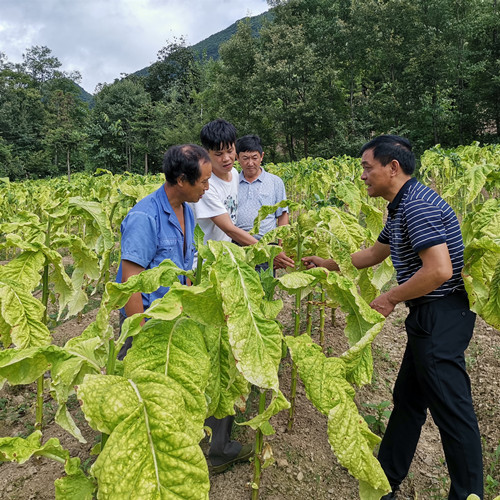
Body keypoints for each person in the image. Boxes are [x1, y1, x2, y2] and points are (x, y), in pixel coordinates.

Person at [302, 135, 483, 500]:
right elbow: (374, 253)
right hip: (429, 316)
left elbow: (439, 271)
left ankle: (468, 494)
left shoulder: (417, 206)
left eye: (368, 168)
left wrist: (389, 297)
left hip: (441, 315)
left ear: (392, 168)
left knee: (452, 413)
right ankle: (384, 482)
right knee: (408, 402)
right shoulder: (400, 207)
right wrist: (329, 265)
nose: (363, 176)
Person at [192, 118, 255, 474]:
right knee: (217, 346)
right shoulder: (206, 185)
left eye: (230, 150)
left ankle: (220, 429)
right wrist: (267, 250)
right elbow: (228, 228)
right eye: (219, 154)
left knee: (227, 342)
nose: (228, 159)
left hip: (231, 263)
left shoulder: (234, 177)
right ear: (207, 155)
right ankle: (217, 441)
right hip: (208, 272)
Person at [116, 143, 211, 357]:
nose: (207, 188)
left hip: (172, 316)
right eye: (204, 181)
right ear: (182, 180)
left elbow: (184, 267)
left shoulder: (186, 211)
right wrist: (141, 337)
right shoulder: (144, 218)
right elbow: (130, 284)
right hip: (146, 320)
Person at [235, 134, 294, 270]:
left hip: (267, 246)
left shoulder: (275, 182)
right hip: (238, 246)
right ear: (237, 158)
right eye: (245, 158)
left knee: (264, 287)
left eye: (254, 158)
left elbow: (282, 215)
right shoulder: (232, 182)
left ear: (261, 156)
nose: (250, 163)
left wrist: (281, 247)